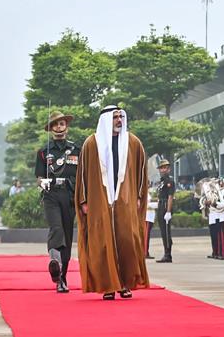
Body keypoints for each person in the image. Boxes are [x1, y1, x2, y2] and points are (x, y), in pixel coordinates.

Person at [75, 105, 150, 300]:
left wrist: (139, 197)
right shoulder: (91, 144)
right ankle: (108, 285)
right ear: (106, 120)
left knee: (127, 241)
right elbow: (82, 175)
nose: (119, 120)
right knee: (103, 244)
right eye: (115, 117)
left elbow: (142, 171)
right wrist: (84, 200)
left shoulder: (133, 143)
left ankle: (125, 284)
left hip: (125, 201)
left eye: (120, 117)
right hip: (99, 201)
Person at [35, 111, 80, 293]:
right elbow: (39, 177)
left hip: (69, 196)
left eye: (62, 124)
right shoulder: (44, 152)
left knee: (67, 237)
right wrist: (42, 182)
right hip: (51, 195)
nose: (59, 127)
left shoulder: (76, 150)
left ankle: (62, 277)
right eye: (56, 125)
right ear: (51, 129)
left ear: (66, 127)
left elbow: (83, 176)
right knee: (57, 229)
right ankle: (54, 262)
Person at [156, 159, 175, 263]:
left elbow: (170, 197)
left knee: (167, 232)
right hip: (160, 205)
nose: (163, 170)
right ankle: (165, 252)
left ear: (168, 169)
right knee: (163, 232)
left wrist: (168, 211)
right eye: (161, 168)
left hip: (165, 206)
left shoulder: (169, 181)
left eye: (165, 168)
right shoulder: (162, 181)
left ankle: (168, 255)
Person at [145, 188, 157, 259]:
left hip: (150, 217)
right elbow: (147, 205)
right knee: (146, 237)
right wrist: (158, 204)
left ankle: (146, 251)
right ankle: (145, 252)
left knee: (147, 236)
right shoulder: (145, 194)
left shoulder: (148, 193)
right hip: (147, 217)